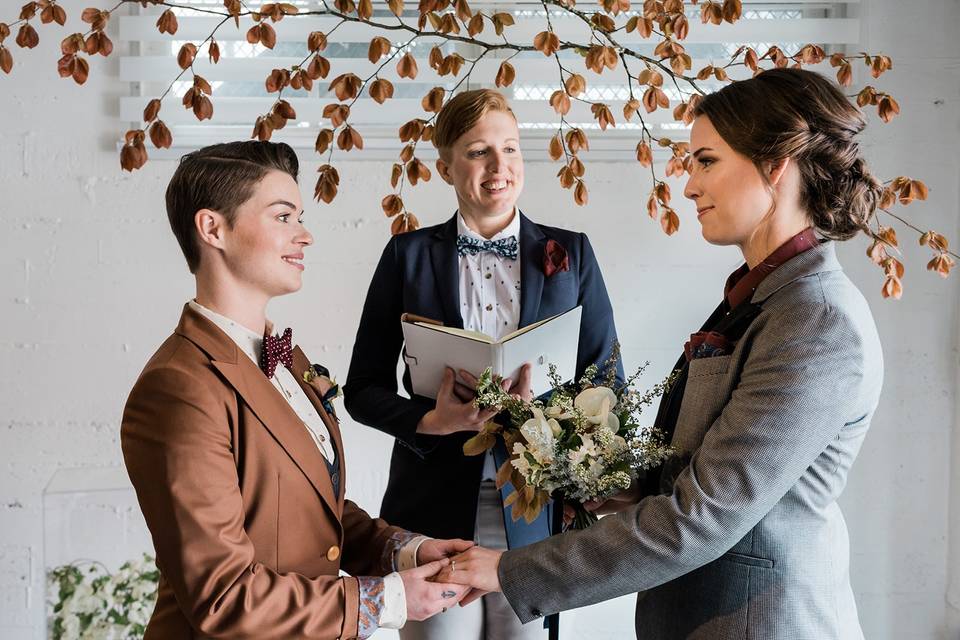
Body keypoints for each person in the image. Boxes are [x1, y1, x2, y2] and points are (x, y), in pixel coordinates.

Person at [441, 67, 885, 639]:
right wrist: (611, 483)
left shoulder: (816, 320)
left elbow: (703, 515)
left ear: (776, 166)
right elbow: (698, 473)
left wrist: (511, 569)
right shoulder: (759, 299)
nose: (689, 185)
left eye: (706, 161)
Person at [120, 141, 472, 639]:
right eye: (283, 217)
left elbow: (310, 511)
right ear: (212, 228)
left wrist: (403, 550)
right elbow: (224, 596)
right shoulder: (177, 389)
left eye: (300, 217)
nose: (305, 235)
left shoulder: (289, 359)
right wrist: (389, 599)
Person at [343, 89, 623, 640]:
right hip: (429, 508)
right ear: (446, 165)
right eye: (478, 152)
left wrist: (551, 434)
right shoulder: (408, 255)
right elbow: (362, 389)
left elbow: (606, 381)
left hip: (535, 510)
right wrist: (431, 422)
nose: (500, 168)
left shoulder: (573, 253)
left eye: (511, 149)